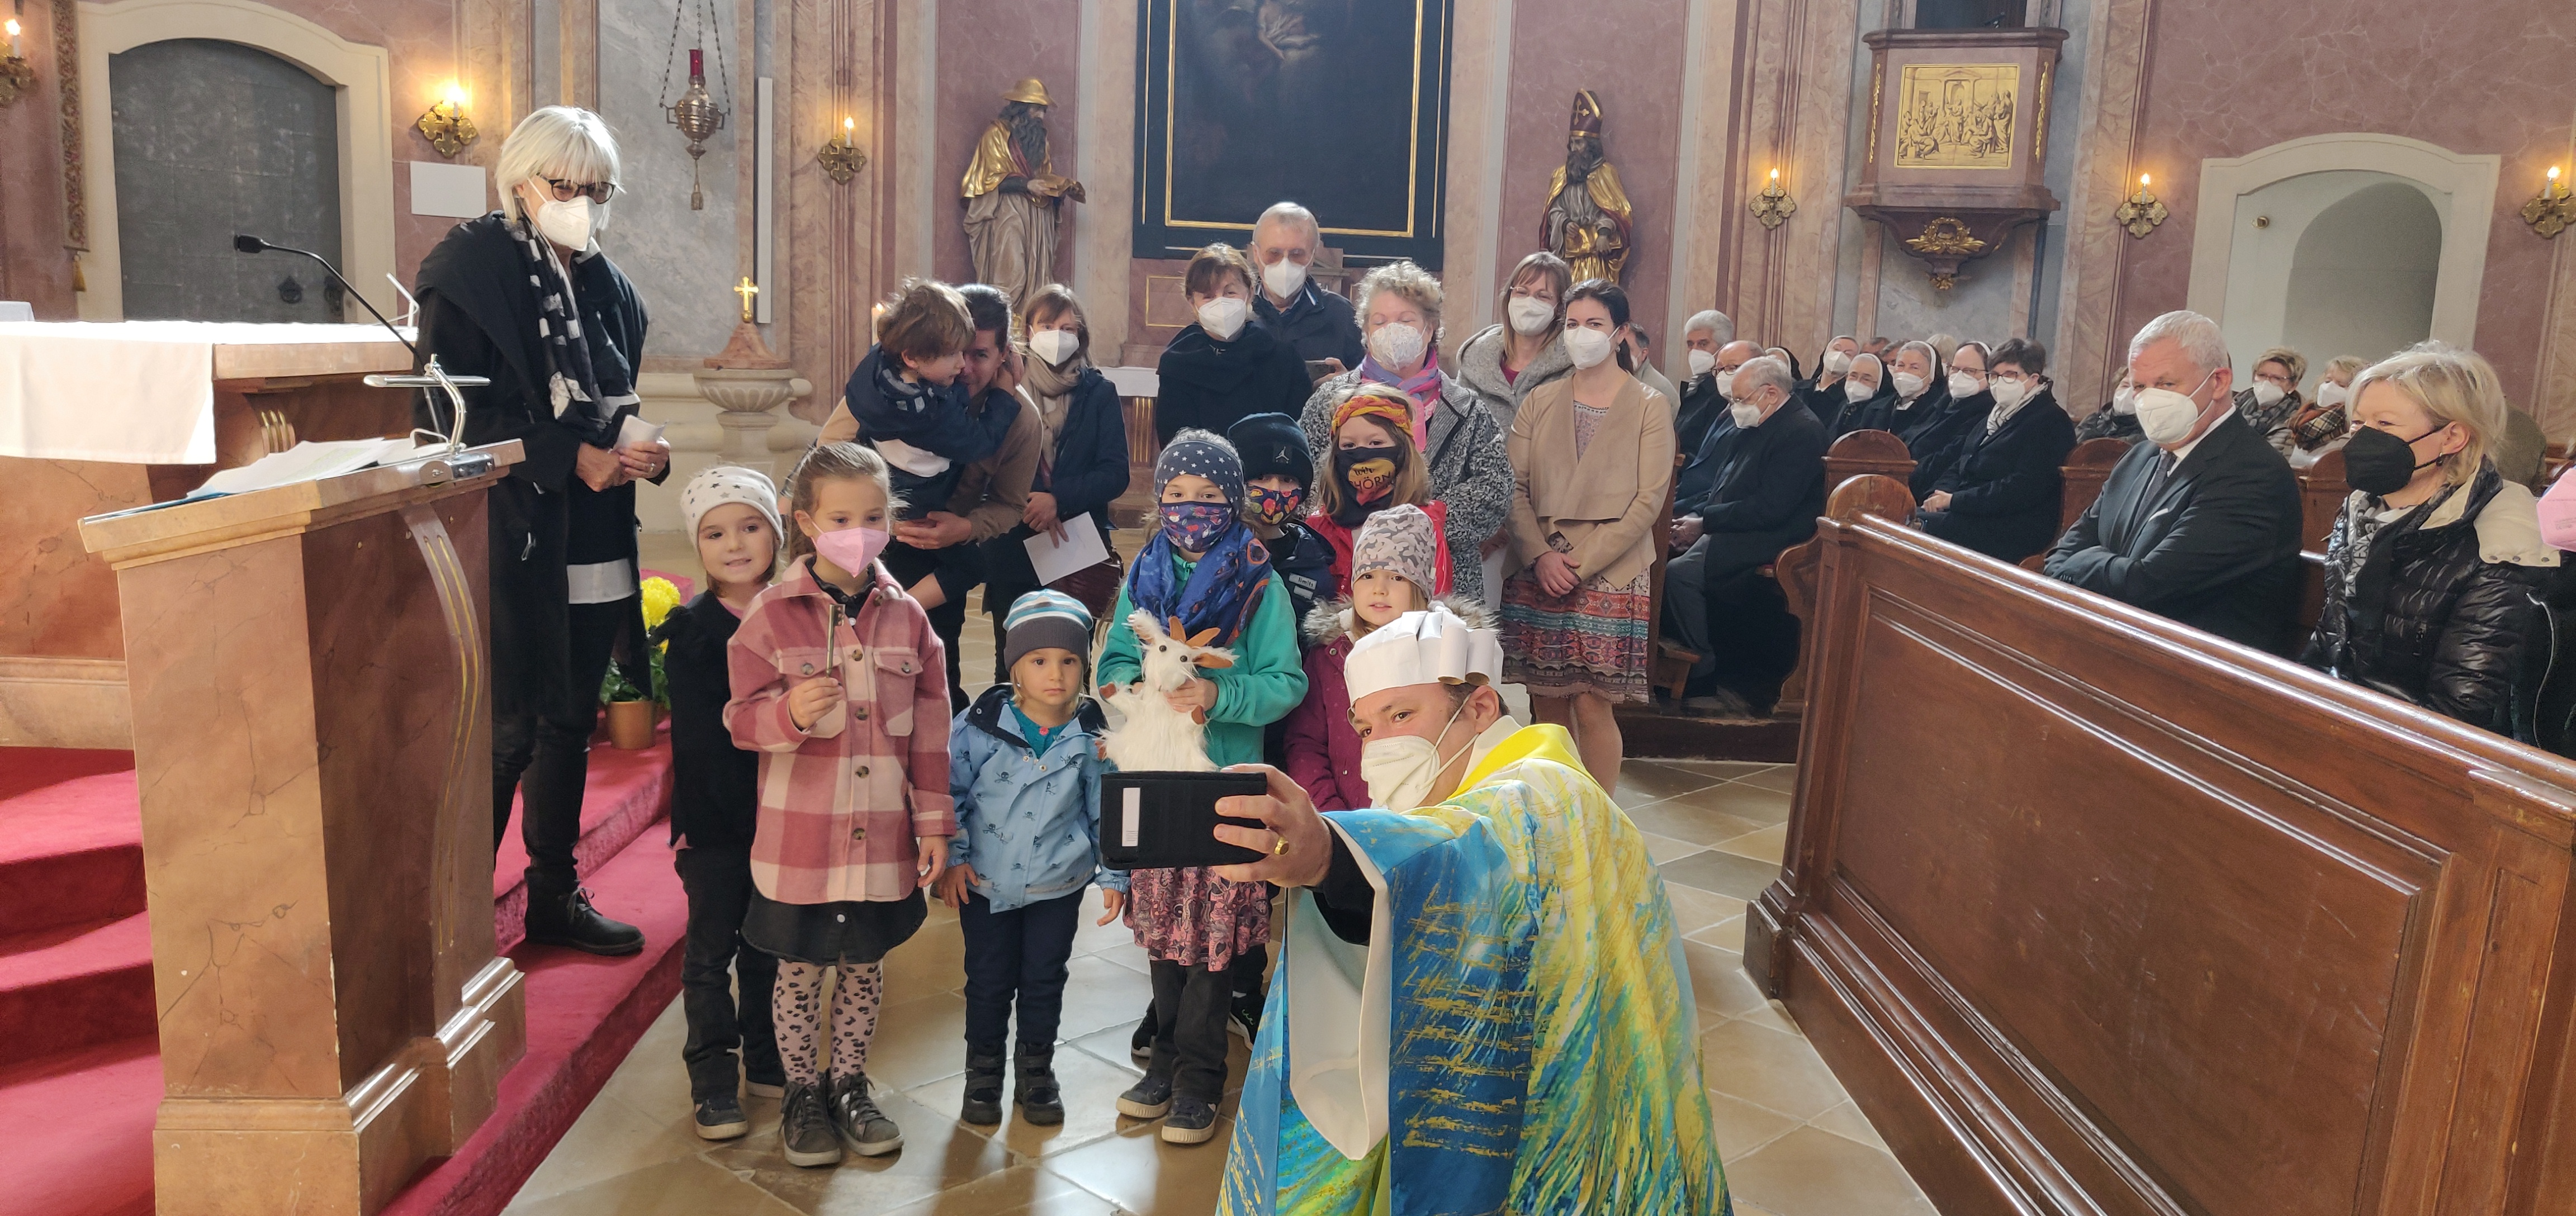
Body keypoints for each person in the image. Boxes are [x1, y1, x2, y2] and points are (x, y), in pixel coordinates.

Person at [1210, 606, 1729, 1215]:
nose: (1382, 746)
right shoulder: (1495, 784)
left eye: (1402, 715)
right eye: (1367, 728)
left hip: (1552, 1111)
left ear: (1480, 707)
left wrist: (1327, 855)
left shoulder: (1545, 789)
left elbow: (1474, 841)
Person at [414, 104, 661, 955]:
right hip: (513, 527)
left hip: (593, 530)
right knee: (511, 728)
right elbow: (447, 416)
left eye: (598, 190)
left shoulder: (605, 283)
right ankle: (455, 926)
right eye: (565, 186)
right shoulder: (468, 269)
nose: (581, 203)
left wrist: (639, 450)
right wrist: (567, 456)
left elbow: (614, 402)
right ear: (520, 180)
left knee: (569, 720)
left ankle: (554, 892)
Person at [724, 442, 954, 1167]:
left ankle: (849, 1082)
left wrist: (934, 823)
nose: (860, 532)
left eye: (875, 516)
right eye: (842, 518)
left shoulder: (910, 618)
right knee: (800, 970)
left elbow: (932, 732)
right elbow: (739, 720)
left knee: (863, 965)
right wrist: (787, 713)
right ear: (806, 522)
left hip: (881, 835)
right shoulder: (769, 615)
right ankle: (802, 1091)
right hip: (803, 843)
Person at [1096, 431, 1308, 1146]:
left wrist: (1218, 695)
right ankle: (1162, 1062)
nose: (1192, 509)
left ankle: (1200, 1076)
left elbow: (1286, 682)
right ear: (1160, 501)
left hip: (1219, 787)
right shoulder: (1144, 572)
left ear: (1234, 502)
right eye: (1178, 495)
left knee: (1214, 943)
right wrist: (1127, 686)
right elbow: (1118, 654)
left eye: (1209, 496)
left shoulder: (1259, 583)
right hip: (1157, 778)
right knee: (1164, 931)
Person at [937, 590, 1126, 1128]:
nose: (1056, 674)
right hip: (984, 882)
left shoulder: (1094, 739)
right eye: (1039, 661)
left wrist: (1114, 875)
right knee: (988, 980)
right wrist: (953, 858)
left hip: (1056, 886)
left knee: (1044, 979)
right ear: (1014, 667)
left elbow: (1107, 810)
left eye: (1069, 661)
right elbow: (948, 794)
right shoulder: (977, 728)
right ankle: (983, 1073)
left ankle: (1037, 1072)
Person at [2303, 344, 2557, 729]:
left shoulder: (2500, 544)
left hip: (2412, 740)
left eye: (2385, 425)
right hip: (2346, 715)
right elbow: (2332, 638)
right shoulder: (2363, 509)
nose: (2362, 439)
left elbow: (2460, 708)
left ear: (2452, 437)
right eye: (2357, 424)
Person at [825, 282, 1041, 711]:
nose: (964, 367)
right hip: (866, 544)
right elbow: (830, 448)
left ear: (1005, 355)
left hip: (939, 558)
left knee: (934, 686)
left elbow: (1011, 505)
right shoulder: (893, 389)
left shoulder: (1020, 420)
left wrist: (965, 528)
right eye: (957, 351)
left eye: (979, 355)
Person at [2043, 311, 2304, 652]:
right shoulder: (2139, 456)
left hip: (2199, 663)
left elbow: (2148, 584)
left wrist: (2082, 562)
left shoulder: (2253, 473)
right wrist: (2088, 563)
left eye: (2166, 384)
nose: (2149, 399)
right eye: (2140, 386)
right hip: (2119, 640)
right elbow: (2062, 552)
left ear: (2218, 382)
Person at [655, 467, 785, 1141]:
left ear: (777, 534)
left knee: (768, 946)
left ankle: (766, 1058)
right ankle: (711, 1075)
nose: (734, 544)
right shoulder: (695, 632)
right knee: (710, 955)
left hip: (784, 817)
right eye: (715, 533)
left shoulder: (799, 616)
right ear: (698, 546)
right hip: (715, 823)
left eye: (750, 526)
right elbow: (702, 744)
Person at [1500, 280, 1674, 787]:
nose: (1582, 334)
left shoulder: (1649, 405)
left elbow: (1648, 501)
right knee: (1546, 701)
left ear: (1620, 333)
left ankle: (1600, 815)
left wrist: (1581, 563)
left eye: (1594, 324)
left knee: (1594, 704)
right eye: (1573, 324)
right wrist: (1540, 555)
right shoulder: (1540, 399)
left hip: (1611, 567)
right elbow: (1513, 486)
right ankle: (1557, 807)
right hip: (1538, 562)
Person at [1296, 261, 1512, 600]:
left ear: (1430, 327)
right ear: (1365, 330)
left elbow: (1495, 488)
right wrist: (1353, 521)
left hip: (1443, 581)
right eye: (1379, 321)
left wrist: (1420, 523)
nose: (1391, 330)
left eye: (1405, 320)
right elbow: (1302, 476)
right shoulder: (1330, 401)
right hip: (1345, 575)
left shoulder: (1467, 409)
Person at [1664, 357, 1826, 712]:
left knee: (1679, 575)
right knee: (1665, 554)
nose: (1735, 407)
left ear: (1771, 394)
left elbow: (1772, 507)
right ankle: (1673, 666)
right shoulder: (1760, 421)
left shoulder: (1802, 431)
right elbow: (1725, 484)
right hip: (1738, 523)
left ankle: (1704, 669)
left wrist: (1705, 523)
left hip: (1774, 535)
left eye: (1740, 399)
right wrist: (1697, 516)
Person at [980, 284, 1129, 668]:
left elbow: (1115, 473)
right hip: (1013, 539)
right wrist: (1029, 501)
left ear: (1081, 335)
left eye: (1068, 328)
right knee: (1012, 659)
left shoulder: (1099, 392)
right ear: (1028, 331)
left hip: (1075, 545)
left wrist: (1057, 498)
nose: (1057, 336)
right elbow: (983, 456)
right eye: (1047, 326)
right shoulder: (1002, 389)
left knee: (1072, 656)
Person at [1282, 504, 1456, 812]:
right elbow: (1306, 743)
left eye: (1397, 577)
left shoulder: (1451, 650)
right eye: (1367, 575)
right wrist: (1330, 814)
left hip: (1429, 817)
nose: (1379, 589)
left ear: (1422, 587)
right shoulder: (1330, 655)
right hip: (1345, 818)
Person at [1919, 338, 2078, 563]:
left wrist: (1955, 501)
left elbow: (2023, 487)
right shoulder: (1995, 415)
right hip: (1973, 511)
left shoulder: (2050, 420)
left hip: (2013, 524)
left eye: (2010, 375)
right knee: (1908, 520)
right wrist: (1940, 494)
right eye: (1994, 375)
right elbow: (1962, 462)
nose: (1999, 382)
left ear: (2034, 378)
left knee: (1919, 528)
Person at [1154, 243, 1315, 444]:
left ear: (1249, 293)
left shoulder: (1282, 358)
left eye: (1230, 293)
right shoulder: (1177, 364)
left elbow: (1297, 436)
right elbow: (1174, 442)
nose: (1220, 303)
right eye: (1208, 296)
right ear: (1192, 302)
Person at [1305, 385, 1452, 599]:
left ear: (1402, 451)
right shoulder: (1317, 528)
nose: (1362, 454)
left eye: (1376, 443)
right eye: (1349, 446)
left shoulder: (1423, 527)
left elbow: (1434, 605)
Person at [959, 78, 1084, 311]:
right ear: (1021, 107)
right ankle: (1003, 320)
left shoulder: (1039, 141)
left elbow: (1042, 174)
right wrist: (1027, 185)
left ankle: (1026, 322)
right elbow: (987, 180)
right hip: (1007, 210)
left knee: (1035, 275)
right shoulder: (996, 135)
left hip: (1036, 214)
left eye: (1043, 110)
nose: (1041, 116)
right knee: (1011, 270)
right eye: (1036, 109)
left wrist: (1058, 190)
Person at [1228, 412, 1333, 630]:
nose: (1275, 489)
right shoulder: (1213, 549)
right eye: (1262, 477)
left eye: (1287, 480)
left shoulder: (1313, 560)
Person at [1453, 251, 1575, 431]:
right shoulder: (1475, 357)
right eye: (1522, 292)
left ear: (1560, 307)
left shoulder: (1573, 366)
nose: (1529, 303)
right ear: (1509, 297)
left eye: (1542, 296)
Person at [1247, 202, 1362, 370]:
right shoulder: (1239, 310)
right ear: (1256, 254)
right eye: (1274, 253)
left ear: (1312, 257)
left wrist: (1346, 381)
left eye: (1297, 254)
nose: (1285, 264)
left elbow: (1363, 378)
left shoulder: (1340, 313)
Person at [1541, 91, 1633, 284]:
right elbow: (1554, 211)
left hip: (1596, 258)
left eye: (1579, 143)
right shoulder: (1561, 175)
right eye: (1572, 143)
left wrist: (1604, 233)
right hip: (1569, 257)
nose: (1574, 149)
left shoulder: (1606, 174)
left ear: (1591, 145)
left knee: (1594, 295)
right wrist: (1565, 223)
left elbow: (1617, 213)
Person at [1673, 339, 1762, 513]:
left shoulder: (1752, 417)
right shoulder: (1723, 408)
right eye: (1719, 369)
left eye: (1732, 368)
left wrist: (1697, 514)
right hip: (1685, 498)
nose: (1722, 376)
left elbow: (1730, 482)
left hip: (1706, 509)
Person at [1909, 339, 1992, 495]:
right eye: (1955, 369)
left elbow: (1947, 458)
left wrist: (1904, 472)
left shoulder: (1984, 412)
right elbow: (1912, 434)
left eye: (1969, 371)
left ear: (1989, 375)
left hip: (1925, 486)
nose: (1959, 376)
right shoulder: (1944, 402)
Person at [1672, 311, 1735, 462]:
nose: (1695, 350)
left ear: (1724, 347)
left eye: (1703, 344)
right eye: (1690, 344)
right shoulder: (1696, 386)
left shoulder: (1723, 391)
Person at [2285, 353, 2362, 465]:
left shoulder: (2353, 430)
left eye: (2341, 385)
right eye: (2328, 381)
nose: (2329, 387)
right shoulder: (2302, 418)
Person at [1882, 339, 1954, 455]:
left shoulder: (1939, 411)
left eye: (1914, 368)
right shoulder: (1877, 408)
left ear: (1931, 374)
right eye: (1901, 365)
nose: (1905, 372)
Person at [2236, 345, 2307, 454]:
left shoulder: (2295, 421)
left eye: (2277, 378)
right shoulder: (2236, 404)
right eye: (2262, 375)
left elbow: (2274, 459)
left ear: (2293, 386)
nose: (2266, 382)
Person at [1828, 350, 1895, 436]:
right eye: (1853, 376)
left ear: (1879, 384)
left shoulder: (1880, 414)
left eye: (1866, 379)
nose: (1858, 382)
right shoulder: (1842, 406)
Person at [2074, 367, 2147, 444]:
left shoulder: (2148, 431)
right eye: (2125, 386)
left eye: (2138, 388)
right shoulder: (2094, 420)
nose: (2128, 393)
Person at [1802, 334, 1860, 420]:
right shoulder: (1798, 387)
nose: (1839, 356)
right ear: (1826, 352)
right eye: (1836, 349)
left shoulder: (1849, 397)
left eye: (1848, 354)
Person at [1625, 324, 1680, 405]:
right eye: (1618, 348)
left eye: (1627, 349)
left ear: (1643, 354)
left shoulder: (1655, 390)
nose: (1620, 354)